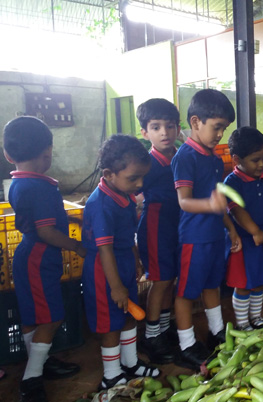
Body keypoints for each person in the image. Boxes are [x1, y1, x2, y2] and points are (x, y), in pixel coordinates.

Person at [3, 116, 85, 402]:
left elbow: (41, 220)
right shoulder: (41, 188)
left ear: (8, 155)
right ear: (48, 152)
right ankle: (31, 380)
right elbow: (47, 232)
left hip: (26, 256)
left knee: (31, 317)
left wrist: (69, 218)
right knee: (51, 317)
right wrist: (77, 246)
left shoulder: (19, 183)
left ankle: (39, 363)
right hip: (40, 258)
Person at [81, 134, 158, 390]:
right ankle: (111, 375)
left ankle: (131, 363)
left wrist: (135, 261)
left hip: (122, 261)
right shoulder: (101, 205)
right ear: (109, 174)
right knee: (111, 323)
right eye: (133, 178)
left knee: (128, 315)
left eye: (142, 177)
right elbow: (105, 249)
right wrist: (116, 287)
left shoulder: (123, 194)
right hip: (104, 270)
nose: (140, 184)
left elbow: (126, 236)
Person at [170, 89, 240, 370]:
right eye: (217, 127)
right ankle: (186, 345)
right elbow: (184, 201)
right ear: (196, 122)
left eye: (224, 128)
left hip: (214, 236)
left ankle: (217, 332)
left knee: (213, 285)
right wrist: (211, 205)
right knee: (187, 292)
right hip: (194, 238)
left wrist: (230, 229)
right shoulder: (185, 157)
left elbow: (219, 202)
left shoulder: (213, 158)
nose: (220, 134)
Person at [135, 98, 181, 364]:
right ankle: (151, 336)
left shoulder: (180, 156)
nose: (164, 132)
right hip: (155, 227)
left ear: (178, 128)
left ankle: (163, 327)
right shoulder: (147, 164)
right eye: (156, 127)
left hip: (177, 226)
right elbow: (131, 191)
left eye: (170, 126)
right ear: (145, 132)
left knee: (170, 278)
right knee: (160, 281)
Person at [224, 127, 263, 329]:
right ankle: (242, 323)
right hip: (244, 242)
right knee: (243, 284)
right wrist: (255, 232)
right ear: (236, 159)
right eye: (255, 160)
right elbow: (236, 210)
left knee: (259, 281)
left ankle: (256, 318)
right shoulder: (232, 182)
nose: (262, 164)